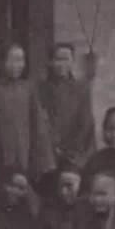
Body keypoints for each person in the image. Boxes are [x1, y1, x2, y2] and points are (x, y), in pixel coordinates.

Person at [0, 43, 56, 186]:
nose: (18, 65)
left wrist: (43, 159)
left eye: (21, 60)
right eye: (13, 60)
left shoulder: (28, 88)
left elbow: (38, 124)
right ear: (2, 62)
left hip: (24, 153)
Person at [37, 44, 96, 173]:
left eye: (66, 59)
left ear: (72, 62)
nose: (61, 64)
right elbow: (40, 122)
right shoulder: (40, 89)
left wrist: (72, 150)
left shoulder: (81, 89)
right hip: (48, 154)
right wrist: (52, 146)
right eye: (57, 59)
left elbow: (86, 122)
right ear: (50, 62)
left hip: (74, 153)